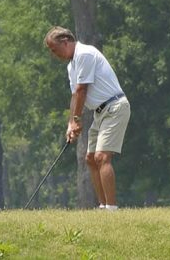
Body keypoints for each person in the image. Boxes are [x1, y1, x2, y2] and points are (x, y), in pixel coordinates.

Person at [44, 26, 130, 211]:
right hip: (100, 112)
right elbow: (75, 96)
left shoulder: (85, 54)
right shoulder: (71, 66)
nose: (53, 54)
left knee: (102, 157)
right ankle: (103, 206)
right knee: (90, 158)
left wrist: (76, 119)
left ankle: (112, 209)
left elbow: (83, 89)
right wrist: (71, 124)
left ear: (65, 42)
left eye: (54, 49)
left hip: (115, 107)